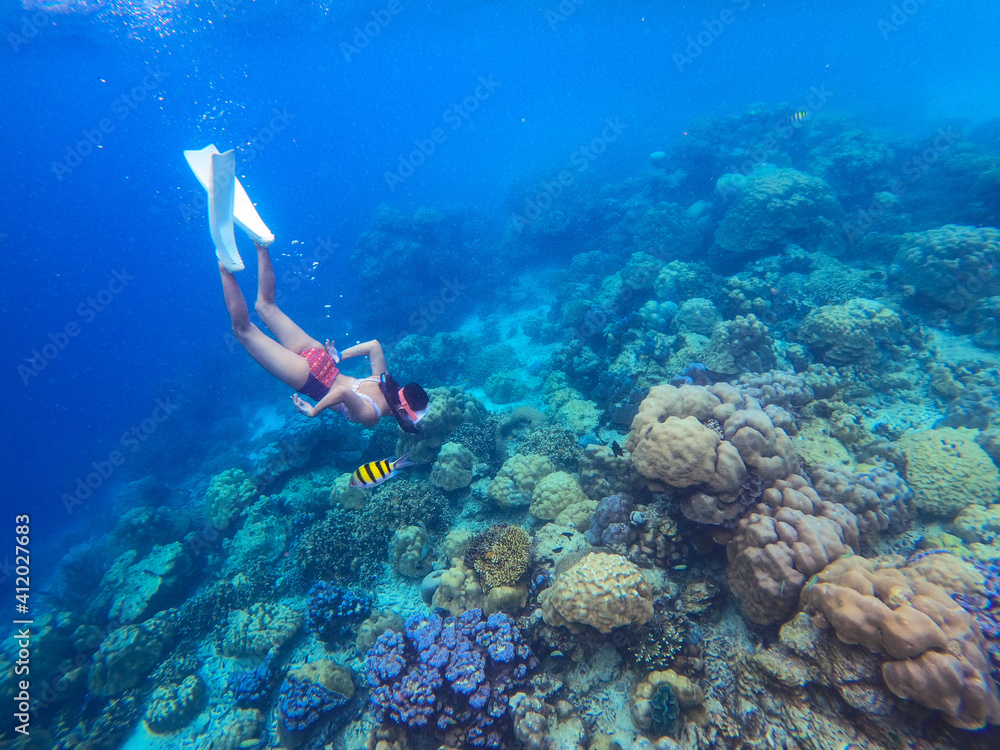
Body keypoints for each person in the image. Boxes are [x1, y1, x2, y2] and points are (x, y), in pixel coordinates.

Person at [219, 240, 429, 432]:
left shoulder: (383, 378)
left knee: (266, 306)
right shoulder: (372, 416)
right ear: (403, 408)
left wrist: (339, 356)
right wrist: (314, 412)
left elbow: (374, 346)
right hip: (309, 378)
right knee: (243, 330)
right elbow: (342, 394)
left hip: (323, 358)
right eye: (412, 419)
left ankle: (261, 246)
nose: (410, 423)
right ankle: (224, 266)